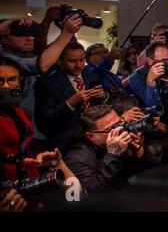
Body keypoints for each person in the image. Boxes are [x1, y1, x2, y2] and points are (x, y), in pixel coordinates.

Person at [0, 57, 76, 210]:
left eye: (12, 79)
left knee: (74, 199)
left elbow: (78, 194)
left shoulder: (17, 111)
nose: (7, 86)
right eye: (0, 81)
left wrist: (46, 161)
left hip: (27, 182)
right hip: (6, 192)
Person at [0, 14, 82, 149]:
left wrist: (47, 22)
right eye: (19, 34)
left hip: (38, 130)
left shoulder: (27, 54)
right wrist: (67, 32)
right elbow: (41, 65)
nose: (29, 38)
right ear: (3, 37)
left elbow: (41, 53)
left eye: (31, 33)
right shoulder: (5, 60)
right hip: (17, 131)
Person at [34, 42, 107, 154]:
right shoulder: (48, 83)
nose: (78, 65)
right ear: (59, 61)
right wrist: (70, 103)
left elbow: (106, 104)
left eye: (81, 60)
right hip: (66, 143)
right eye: (72, 61)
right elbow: (44, 120)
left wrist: (104, 96)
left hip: (95, 139)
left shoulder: (92, 76)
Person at [64, 104, 153, 194]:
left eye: (120, 123)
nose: (120, 129)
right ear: (91, 136)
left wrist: (139, 150)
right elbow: (96, 193)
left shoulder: (123, 139)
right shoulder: (76, 159)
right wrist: (113, 154)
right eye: (111, 129)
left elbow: (150, 172)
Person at [129, 42, 168, 164]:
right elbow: (152, 107)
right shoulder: (137, 77)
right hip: (152, 132)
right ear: (150, 61)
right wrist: (150, 82)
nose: (167, 63)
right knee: (154, 168)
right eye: (163, 60)